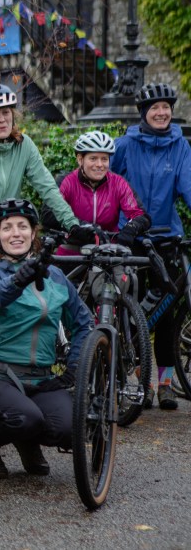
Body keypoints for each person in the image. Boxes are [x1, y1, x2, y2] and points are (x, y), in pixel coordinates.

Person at [0, 199, 94, 477]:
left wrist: (74, 368)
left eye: (23, 227)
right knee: (25, 418)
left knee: (70, 429)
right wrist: (20, 279)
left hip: (41, 378)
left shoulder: (57, 277)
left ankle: (27, 441)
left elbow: (85, 323)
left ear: (33, 233)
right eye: (7, 228)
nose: (16, 233)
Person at [111, 82, 191, 410]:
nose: (161, 113)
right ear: (144, 113)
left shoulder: (180, 146)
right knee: (137, 311)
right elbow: (108, 185)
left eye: (166, 108)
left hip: (167, 236)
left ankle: (167, 384)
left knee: (169, 313)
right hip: (132, 239)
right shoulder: (125, 145)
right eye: (154, 108)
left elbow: (188, 186)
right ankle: (141, 382)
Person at [0, 83, 90, 246]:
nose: (2, 119)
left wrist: (72, 225)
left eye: (6, 112)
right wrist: (1, 230)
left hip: (7, 236)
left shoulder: (24, 144)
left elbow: (47, 188)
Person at [44, 131, 150, 255]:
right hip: (72, 249)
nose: (99, 165)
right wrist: (84, 227)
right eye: (93, 158)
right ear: (80, 159)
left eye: (104, 159)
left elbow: (140, 215)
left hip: (108, 251)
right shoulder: (66, 181)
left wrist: (132, 228)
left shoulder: (118, 183)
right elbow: (48, 214)